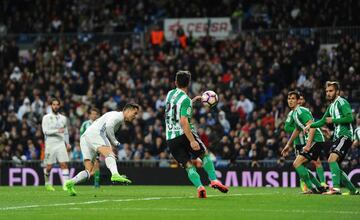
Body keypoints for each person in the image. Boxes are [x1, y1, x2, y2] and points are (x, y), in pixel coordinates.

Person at [165, 70, 228, 198]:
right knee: (204, 155)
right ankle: (214, 180)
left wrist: (192, 101)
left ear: (175, 82)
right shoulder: (186, 100)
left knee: (188, 165)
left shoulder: (169, 94)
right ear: (188, 83)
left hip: (170, 138)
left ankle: (200, 187)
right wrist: (192, 141)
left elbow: (176, 108)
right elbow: (183, 121)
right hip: (184, 134)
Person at [65, 103, 139, 196]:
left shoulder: (116, 117)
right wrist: (115, 142)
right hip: (96, 134)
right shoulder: (118, 116)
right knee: (110, 154)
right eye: (134, 113)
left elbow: (107, 131)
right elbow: (108, 127)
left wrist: (105, 148)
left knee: (89, 170)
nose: (135, 116)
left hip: (85, 137)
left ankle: (70, 183)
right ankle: (115, 174)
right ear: (127, 111)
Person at [305, 81, 359, 195]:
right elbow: (323, 121)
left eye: (331, 91)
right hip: (338, 137)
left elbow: (350, 118)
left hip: (345, 136)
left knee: (331, 159)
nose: (328, 93)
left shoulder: (342, 102)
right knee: (336, 167)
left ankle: (336, 188)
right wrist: (310, 125)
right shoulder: (331, 106)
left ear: (337, 91)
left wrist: (333, 120)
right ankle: (353, 190)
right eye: (327, 91)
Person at [282, 91, 327, 194]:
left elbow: (312, 127)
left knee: (297, 163)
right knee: (301, 165)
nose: (290, 101)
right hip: (312, 140)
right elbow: (297, 130)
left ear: (298, 101)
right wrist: (288, 145)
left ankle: (312, 188)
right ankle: (319, 188)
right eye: (289, 98)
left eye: (293, 98)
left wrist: (307, 144)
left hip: (316, 140)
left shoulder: (301, 111)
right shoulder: (294, 113)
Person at [41, 98, 71, 191]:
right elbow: (45, 131)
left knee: (64, 164)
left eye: (57, 104)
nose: (55, 106)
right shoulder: (46, 117)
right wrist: (57, 130)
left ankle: (65, 185)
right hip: (50, 143)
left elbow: (65, 132)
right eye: (54, 104)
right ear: (51, 106)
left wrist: (68, 143)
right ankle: (47, 183)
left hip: (61, 143)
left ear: (59, 106)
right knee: (49, 167)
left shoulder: (63, 118)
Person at [80, 108, 100, 188]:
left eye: (95, 114)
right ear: (89, 115)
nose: (94, 115)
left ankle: (96, 184)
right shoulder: (85, 124)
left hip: (96, 147)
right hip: (87, 147)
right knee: (88, 167)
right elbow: (81, 134)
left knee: (96, 164)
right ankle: (83, 179)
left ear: (97, 115)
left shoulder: (99, 124)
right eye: (92, 114)